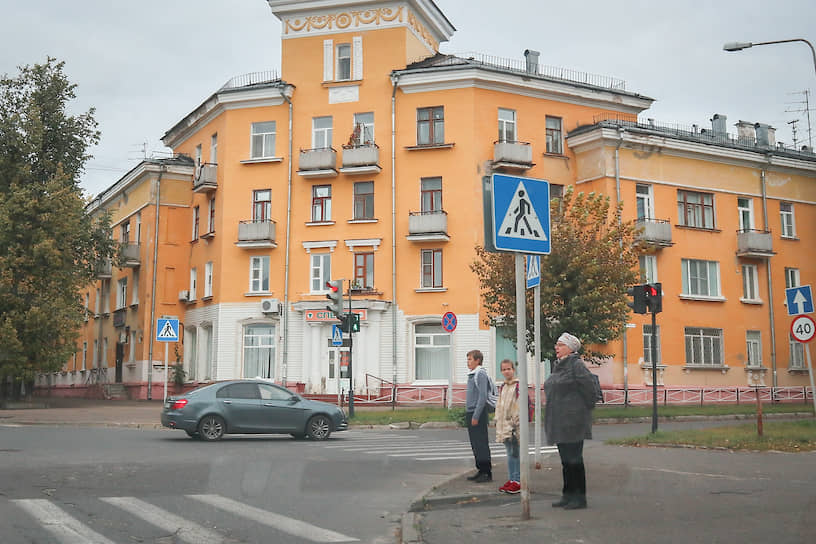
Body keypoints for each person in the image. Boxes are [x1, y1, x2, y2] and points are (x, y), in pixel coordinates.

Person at [544, 332, 596, 509]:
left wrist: (579, 410)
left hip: (573, 421)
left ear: (570, 348)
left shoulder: (576, 365)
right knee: (565, 461)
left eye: (560, 345)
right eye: (556, 344)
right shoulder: (558, 365)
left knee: (574, 460)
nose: (556, 348)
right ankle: (567, 495)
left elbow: (590, 389)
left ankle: (579, 498)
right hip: (560, 421)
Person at [465, 349, 492, 482]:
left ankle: (486, 472)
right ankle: (480, 469)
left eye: (470, 359)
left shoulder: (480, 373)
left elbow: (482, 396)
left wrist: (476, 416)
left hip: (478, 414)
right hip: (470, 412)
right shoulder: (472, 373)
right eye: (468, 359)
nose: (468, 362)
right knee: (475, 444)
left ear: (478, 360)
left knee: (481, 443)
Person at [495, 359, 521, 494]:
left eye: (509, 369)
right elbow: (499, 405)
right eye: (504, 369)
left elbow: (519, 406)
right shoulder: (503, 387)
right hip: (504, 426)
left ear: (513, 370)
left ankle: (518, 481)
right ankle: (511, 479)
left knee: (515, 453)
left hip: (514, 427)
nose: (506, 371)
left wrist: (515, 423)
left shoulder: (517, 386)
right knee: (509, 453)